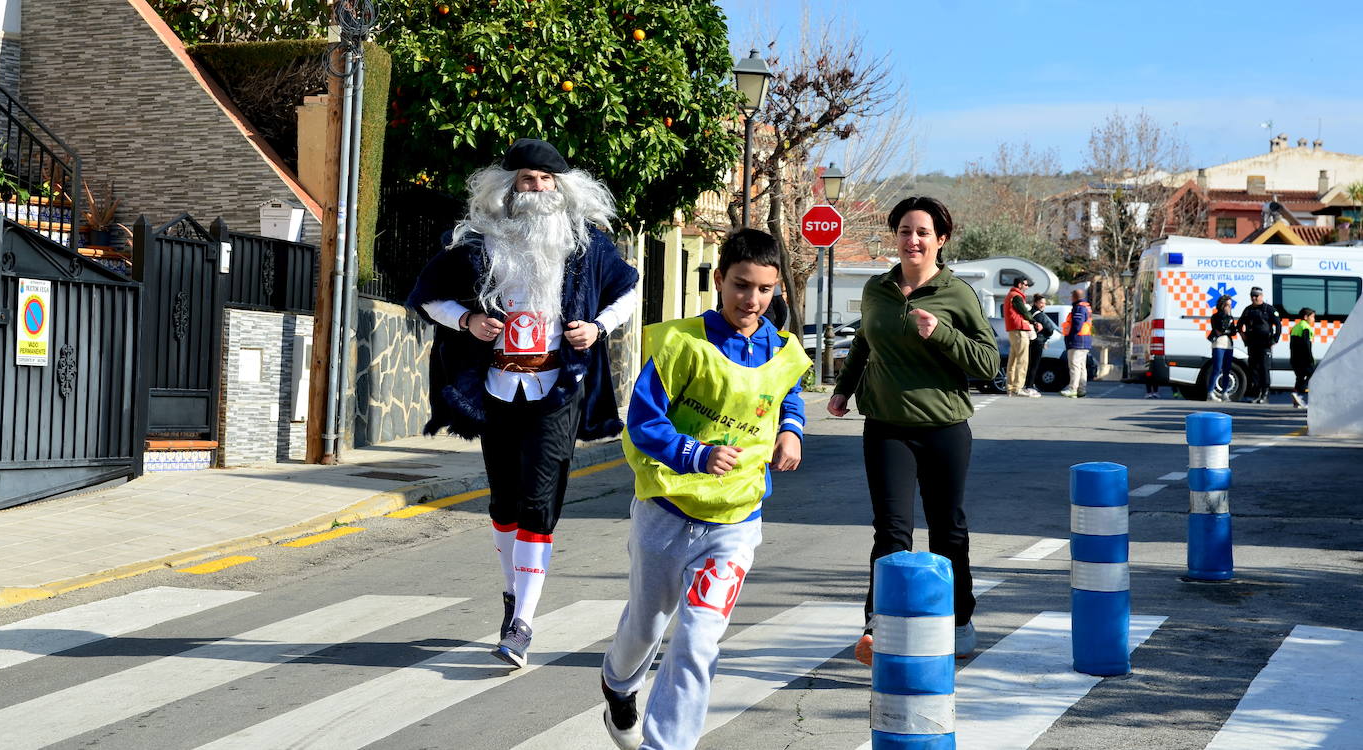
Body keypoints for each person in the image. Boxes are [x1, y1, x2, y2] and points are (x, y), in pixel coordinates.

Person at [407, 138, 639, 669]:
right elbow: (426, 297)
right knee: (504, 503)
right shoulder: (475, 242)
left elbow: (628, 290)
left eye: (544, 179)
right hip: (495, 387)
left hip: (557, 388)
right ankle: (513, 597)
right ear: (506, 186)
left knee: (539, 502)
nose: (534, 188)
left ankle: (522, 624)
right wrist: (466, 321)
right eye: (525, 179)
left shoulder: (587, 245)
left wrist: (598, 326)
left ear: (561, 187)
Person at [599, 228, 809, 750]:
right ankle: (618, 686)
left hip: (735, 523)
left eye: (764, 289)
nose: (752, 300)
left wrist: (791, 431)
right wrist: (695, 454)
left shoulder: (784, 349)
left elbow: (789, 396)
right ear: (719, 280)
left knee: (697, 640)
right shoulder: (682, 344)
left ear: (776, 287)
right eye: (741, 285)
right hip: (667, 512)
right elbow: (643, 424)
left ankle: (666, 746)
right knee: (647, 628)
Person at [827, 196, 1000, 666]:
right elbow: (864, 342)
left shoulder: (957, 294)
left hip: (943, 428)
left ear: (940, 240)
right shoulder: (878, 290)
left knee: (948, 532)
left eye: (923, 232)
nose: (913, 240)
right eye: (905, 231)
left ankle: (960, 620)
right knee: (891, 532)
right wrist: (843, 390)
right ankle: (878, 626)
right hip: (885, 426)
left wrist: (941, 333)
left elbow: (988, 363)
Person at [1235, 287, 1282, 404]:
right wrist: (1243, 336)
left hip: (1265, 344)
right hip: (1252, 344)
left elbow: (1278, 325)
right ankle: (1256, 393)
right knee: (1254, 370)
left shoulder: (1269, 309)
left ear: (1261, 296)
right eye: (1252, 296)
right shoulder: (1248, 310)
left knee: (1264, 369)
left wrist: (1275, 339)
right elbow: (1239, 324)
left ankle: (1264, 394)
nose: (1254, 298)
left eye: (1256, 296)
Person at [1003, 276, 1037, 396]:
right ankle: (1018, 387)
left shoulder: (1010, 295)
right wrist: (1034, 322)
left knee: (1013, 360)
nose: (1027, 287)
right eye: (1026, 285)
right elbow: (1024, 312)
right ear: (1020, 285)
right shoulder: (1016, 296)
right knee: (1022, 360)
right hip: (1019, 330)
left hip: (1013, 330)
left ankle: (1011, 387)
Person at [1060, 289, 1093, 398]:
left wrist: (1070, 338)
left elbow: (1077, 325)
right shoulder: (1086, 307)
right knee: (1081, 366)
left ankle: (1072, 388)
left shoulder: (1078, 307)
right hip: (1085, 340)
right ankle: (1081, 389)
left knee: (1074, 365)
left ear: (1074, 297)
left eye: (1071, 296)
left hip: (1077, 341)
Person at [1023, 293, 1057, 396]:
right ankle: (1029, 386)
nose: (1043, 305)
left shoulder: (1029, 313)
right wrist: (1045, 337)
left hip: (1029, 341)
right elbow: (1050, 329)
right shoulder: (1039, 315)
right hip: (1037, 342)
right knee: (1034, 365)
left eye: (1044, 303)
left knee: (1028, 364)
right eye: (1041, 303)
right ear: (1035, 303)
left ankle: (1026, 384)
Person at [1206, 294, 1237, 401]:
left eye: (1230, 305)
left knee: (1227, 369)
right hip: (1219, 344)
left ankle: (1224, 392)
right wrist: (1226, 319)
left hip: (1228, 345)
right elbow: (1219, 329)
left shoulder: (1230, 317)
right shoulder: (1216, 316)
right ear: (1222, 305)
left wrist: (1229, 323)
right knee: (1217, 368)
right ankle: (1210, 392)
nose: (1230, 307)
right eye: (1228, 305)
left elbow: (1233, 331)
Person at [1289, 308, 1316, 409]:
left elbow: (1292, 345)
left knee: (1300, 377)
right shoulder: (1306, 327)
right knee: (1312, 375)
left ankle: (1296, 401)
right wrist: (1310, 359)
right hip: (1304, 359)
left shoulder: (1296, 327)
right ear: (1306, 317)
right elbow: (1306, 345)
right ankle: (1300, 396)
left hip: (1295, 358)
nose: (1313, 319)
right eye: (1312, 317)